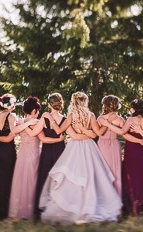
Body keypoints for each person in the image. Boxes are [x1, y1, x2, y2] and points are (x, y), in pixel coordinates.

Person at [39, 91, 122, 223]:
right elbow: (96, 134)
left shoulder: (71, 116)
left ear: (74, 102)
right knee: (88, 177)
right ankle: (87, 206)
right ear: (85, 101)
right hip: (89, 147)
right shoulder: (91, 115)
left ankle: (78, 208)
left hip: (75, 147)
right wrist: (87, 133)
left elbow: (60, 131)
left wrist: (51, 119)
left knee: (75, 177)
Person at [0, 94, 37, 220]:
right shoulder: (11, 116)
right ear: (11, 105)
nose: (14, 106)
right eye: (14, 104)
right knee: (6, 180)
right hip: (8, 151)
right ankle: (2, 212)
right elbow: (11, 135)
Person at [99, 97, 143, 216]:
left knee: (130, 174)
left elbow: (123, 132)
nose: (129, 109)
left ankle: (132, 204)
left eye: (131, 107)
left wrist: (107, 123)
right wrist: (141, 139)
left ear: (135, 109)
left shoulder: (131, 119)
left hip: (132, 150)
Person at [89, 94, 143, 198]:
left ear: (105, 105)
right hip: (114, 146)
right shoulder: (120, 119)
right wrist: (139, 140)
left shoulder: (101, 118)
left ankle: (104, 198)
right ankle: (116, 197)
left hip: (102, 145)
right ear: (116, 106)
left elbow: (98, 132)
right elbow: (126, 135)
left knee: (103, 170)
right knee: (116, 171)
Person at [9, 96, 54, 220]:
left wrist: (25, 123)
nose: (38, 113)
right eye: (38, 110)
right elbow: (42, 138)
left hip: (22, 154)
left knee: (22, 181)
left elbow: (15, 132)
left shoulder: (20, 121)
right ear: (34, 111)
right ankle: (30, 209)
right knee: (32, 182)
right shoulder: (36, 122)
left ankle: (21, 209)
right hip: (33, 154)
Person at [34, 92, 66, 220]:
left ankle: (41, 209)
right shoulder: (64, 119)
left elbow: (36, 133)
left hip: (47, 151)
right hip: (60, 150)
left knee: (44, 177)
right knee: (59, 178)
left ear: (49, 104)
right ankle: (60, 208)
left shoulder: (45, 117)